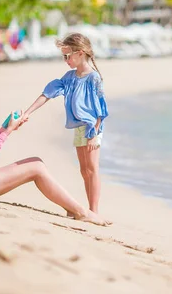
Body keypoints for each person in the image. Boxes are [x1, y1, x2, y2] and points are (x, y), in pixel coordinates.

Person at [0, 61, 108, 226]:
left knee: (36, 162)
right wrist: (6, 132)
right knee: (37, 168)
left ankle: (73, 208)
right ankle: (82, 212)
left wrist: (6, 128)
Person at [23, 33, 108, 215]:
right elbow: (47, 94)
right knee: (84, 170)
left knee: (92, 168)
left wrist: (94, 132)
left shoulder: (94, 78)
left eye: (67, 56)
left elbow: (101, 109)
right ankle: (90, 209)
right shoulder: (69, 77)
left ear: (80, 53)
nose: (65, 60)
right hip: (78, 128)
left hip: (92, 127)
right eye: (63, 56)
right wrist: (28, 112)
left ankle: (94, 210)